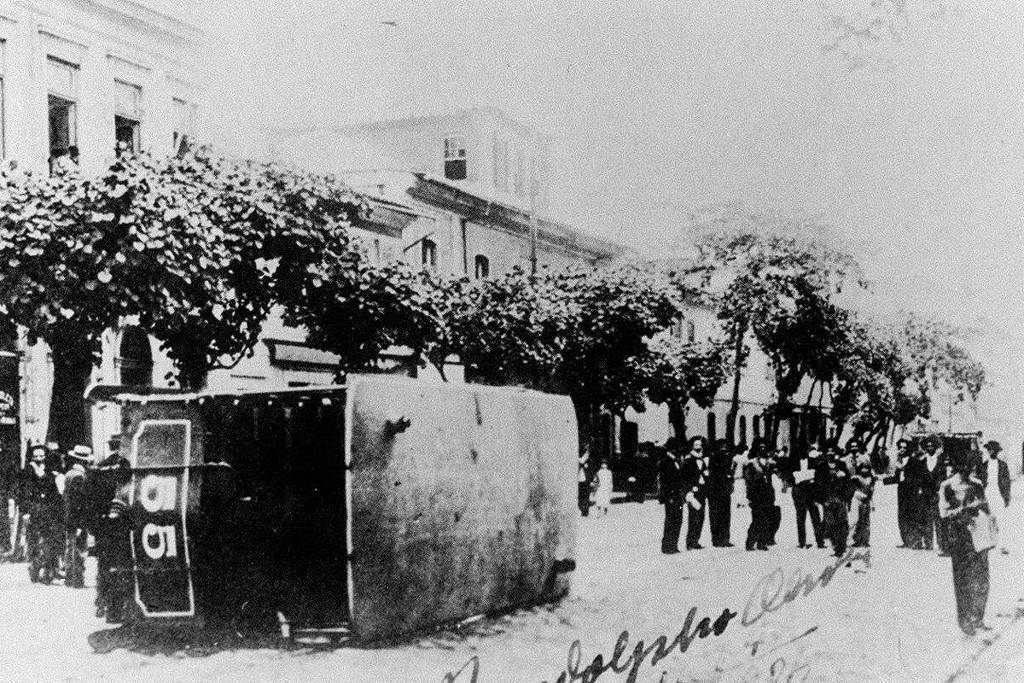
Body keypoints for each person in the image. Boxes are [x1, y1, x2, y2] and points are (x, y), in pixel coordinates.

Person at [939, 451, 992, 636]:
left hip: (978, 537)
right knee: (963, 581)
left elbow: (987, 508)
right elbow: (943, 513)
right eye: (965, 466)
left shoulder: (977, 484)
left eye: (971, 466)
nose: (968, 470)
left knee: (982, 579)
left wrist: (981, 508)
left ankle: (978, 617)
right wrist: (963, 509)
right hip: (959, 538)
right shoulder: (947, 486)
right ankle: (965, 621)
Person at [88, 438, 131, 620]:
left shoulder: (99, 467)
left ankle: (101, 603)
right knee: (119, 566)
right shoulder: (126, 466)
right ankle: (115, 610)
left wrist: (94, 527)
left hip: (102, 525)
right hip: (119, 525)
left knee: (103, 566)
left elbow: (91, 500)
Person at [21, 444, 63, 584]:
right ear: (32, 457)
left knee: (49, 540)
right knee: (33, 540)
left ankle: (48, 570)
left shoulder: (50, 471)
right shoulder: (27, 471)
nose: (39, 458)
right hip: (34, 510)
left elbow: (54, 492)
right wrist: (25, 512)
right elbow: (24, 493)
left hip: (48, 511)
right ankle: (34, 566)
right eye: (36, 456)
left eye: (41, 455)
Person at [62, 445, 92, 588]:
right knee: (79, 549)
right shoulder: (80, 477)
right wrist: (81, 523)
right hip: (77, 518)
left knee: (70, 547)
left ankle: (69, 578)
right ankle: (77, 579)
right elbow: (78, 502)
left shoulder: (69, 474)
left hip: (69, 517)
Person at [787, 444, 825, 549]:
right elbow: (792, 477)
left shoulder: (813, 462)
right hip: (800, 491)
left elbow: (816, 476)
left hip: (810, 491)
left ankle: (820, 542)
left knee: (815, 517)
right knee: (801, 517)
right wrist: (807, 476)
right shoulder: (794, 463)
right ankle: (802, 542)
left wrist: (801, 477)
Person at [978, 441, 1010, 555]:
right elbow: (980, 480)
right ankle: (989, 543)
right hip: (987, 492)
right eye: (989, 450)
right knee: (987, 517)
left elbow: (1006, 483)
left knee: (1001, 519)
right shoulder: (984, 464)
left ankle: (1002, 545)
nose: (990, 452)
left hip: (998, 492)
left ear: (996, 451)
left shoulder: (1003, 465)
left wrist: (1007, 497)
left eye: (992, 450)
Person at [920, 436, 949, 554]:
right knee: (927, 518)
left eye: (932, 446)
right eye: (928, 446)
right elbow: (920, 478)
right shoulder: (922, 462)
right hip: (926, 494)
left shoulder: (941, 461)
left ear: (935, 447)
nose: (930, 448)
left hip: (937, 494)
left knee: (938, 519)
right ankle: (928, 543)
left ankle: (941, 544)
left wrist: (939, 490)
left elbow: (943, 477)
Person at [887, 439, 919, 548]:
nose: (902, 449)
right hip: (901, 491)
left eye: (905, 447)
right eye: (900, 447)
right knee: (902, 515)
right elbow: (896, 478)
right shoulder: (898, 461)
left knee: (911, 515)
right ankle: (905, 540)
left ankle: (913, 541)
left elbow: (916, 477)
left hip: (911, 491)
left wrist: (903, 469)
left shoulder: (914, 460)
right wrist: (884, 480)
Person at [821, 445, 851, 558]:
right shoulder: (822, 467)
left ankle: (841, 547)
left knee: (842, 523)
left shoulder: (842, 465)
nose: (830, 454)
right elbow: (819, 483)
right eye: (828, 452)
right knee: (830, 524)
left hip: (840, 498)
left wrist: (842, 476)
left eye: (832, 452)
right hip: (828, 498)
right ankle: (836, 547)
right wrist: (822, 499)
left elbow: (848, 481)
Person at [744, 441, 774, 551]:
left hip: (767, 495)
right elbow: (748, 481)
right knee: (757, 520)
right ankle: (750, 542)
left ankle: (762, 542)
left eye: (764, 447)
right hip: (756, 496)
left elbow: (770, 480)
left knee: (766, 520)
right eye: (760, 447)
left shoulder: (768, 463)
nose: (763, 450)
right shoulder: (751, 464)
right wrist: (750, 497)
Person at [681, 437, 710, 550]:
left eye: (700, 445)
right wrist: (688, 491)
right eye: (696, 445)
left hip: (702, 491)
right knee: (693, 517)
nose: (698, 447)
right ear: (692, 446)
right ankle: (690, 542)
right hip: (693, 492)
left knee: (701, 517)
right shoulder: (688, 460)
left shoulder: (702, 459)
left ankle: (696, 540)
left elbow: (706, 473)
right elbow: (685, 477)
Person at [658, 441, 685, 554]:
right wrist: (667, 496)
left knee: (678, 519)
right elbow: (664, 481)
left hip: (678, 495)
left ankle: (673, 545)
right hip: (671, 496)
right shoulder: (666, 461)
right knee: (671, 520)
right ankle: (668, 546)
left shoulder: (676, 461)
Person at [707, 439, 735, 547]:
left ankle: (725, 538)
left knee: (726, 515)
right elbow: (713, 475)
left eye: (725, 446)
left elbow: (729, 473)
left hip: (725, 491)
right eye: (722, 447)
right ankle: (717, 540)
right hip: (715, 491)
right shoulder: (713, 459)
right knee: (716, 516)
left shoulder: (727, 459)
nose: (724, 449)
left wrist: (730, 481)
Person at [850, 460, 875, 547]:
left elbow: (869, 487)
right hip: (857, 500)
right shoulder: (856, 478)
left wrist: (872, 504)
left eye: (866, 468)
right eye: (863, 468)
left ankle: (865, 540)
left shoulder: (870, 478)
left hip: (866, 500)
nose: (864, 470)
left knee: (866, 521)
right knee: (857, 520)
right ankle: (856, 540)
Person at [578, 449, 592, 517]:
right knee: (580, 496)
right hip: (579, 480)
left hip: (586, 481)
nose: (586, 456)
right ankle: (582, 510)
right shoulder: (579, 461)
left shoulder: (589, 462)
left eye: (587, 455)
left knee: (586, 496)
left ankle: (585, 511)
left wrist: (591, 481)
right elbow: (581, 462)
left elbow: (590, 472)